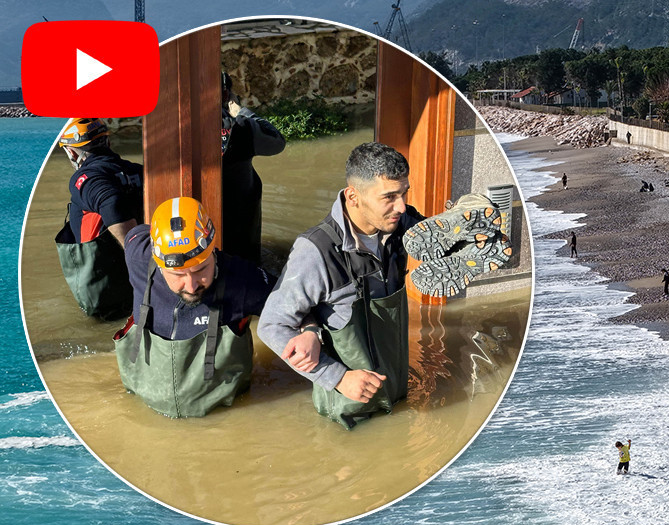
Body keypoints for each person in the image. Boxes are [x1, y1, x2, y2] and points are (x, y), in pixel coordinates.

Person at [258, 142, 427, 430]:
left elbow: (437, 241)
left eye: (403, 194)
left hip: (397, 396)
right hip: (346, 414)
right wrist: (336, 377)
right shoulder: (315, 251)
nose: (401, 206)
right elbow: (271, 326)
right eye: (389, 197)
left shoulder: (400, 223)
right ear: (353, 196)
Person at [113, 197, 274, 418]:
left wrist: (310, 331)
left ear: (212, 250)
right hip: (141, 407)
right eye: (178, 275)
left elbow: (296, 306)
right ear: (157, 260)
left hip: (223, 415)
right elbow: (128, 230)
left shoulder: (242, 279)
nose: (191, 285)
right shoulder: (137, 257)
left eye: (201, 270)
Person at [55, 118, 144, 320]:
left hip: (107, 294)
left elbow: (111, 202)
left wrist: (138, 258)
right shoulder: (137, 171)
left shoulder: (87, 178)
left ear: (71, 152)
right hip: (140, 288)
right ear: (108, 143)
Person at [220, 71, 286, 265]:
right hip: (240, 243)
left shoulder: (176, 130)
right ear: (225, 95)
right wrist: (241, 111)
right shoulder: (240, 128)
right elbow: (277, 141)